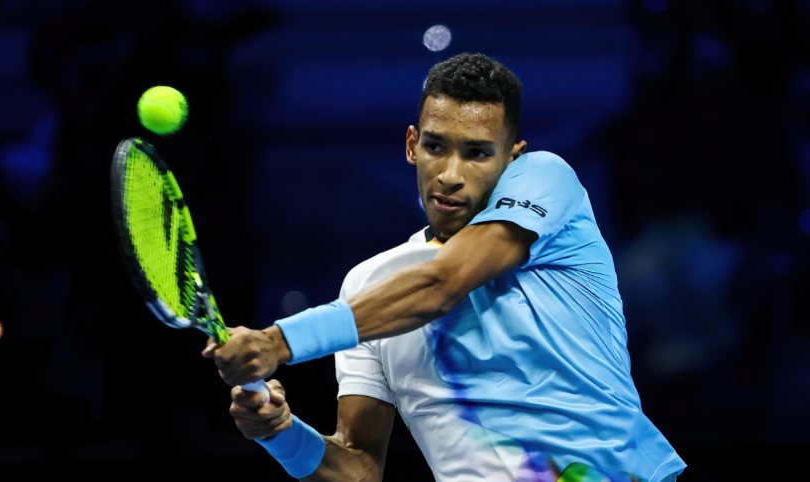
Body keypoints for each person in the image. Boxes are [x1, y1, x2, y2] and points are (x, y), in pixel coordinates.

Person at [205, 53, 686, 481]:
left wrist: (278, 341)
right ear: (413, 144)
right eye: (436, 146)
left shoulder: (547, 178)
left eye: (478, 153)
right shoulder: (368, 286)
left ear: (511, 158)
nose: (451, 175)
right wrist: (281, 433)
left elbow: (442, 283)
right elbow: (358, 466)